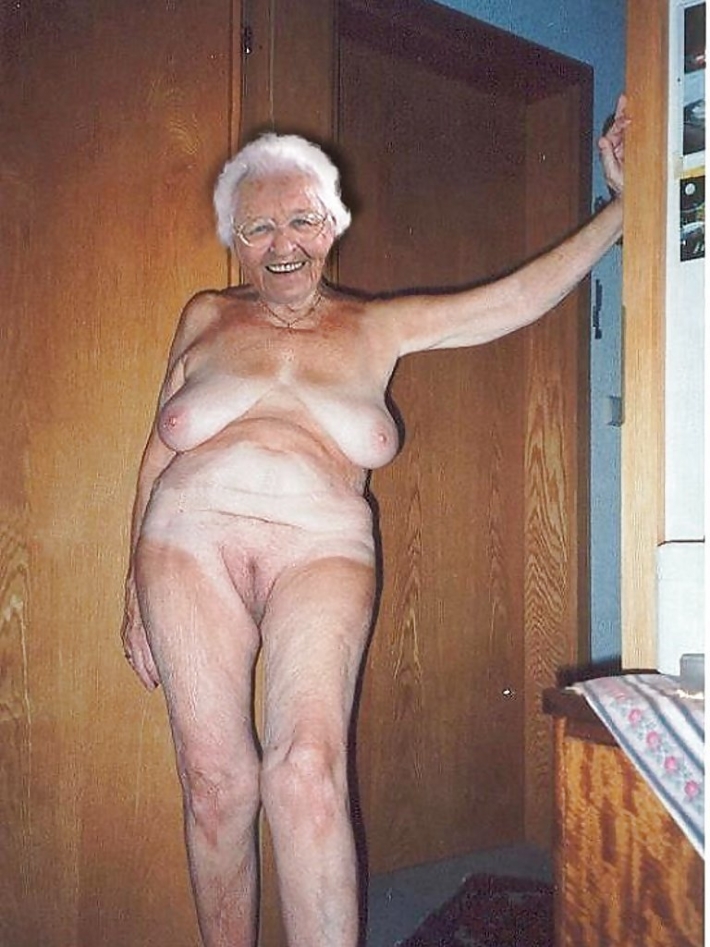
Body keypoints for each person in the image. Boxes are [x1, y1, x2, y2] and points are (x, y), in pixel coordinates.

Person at [122, 95, 628, 947]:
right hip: (184, 543)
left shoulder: (377, 325)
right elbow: (153, 453)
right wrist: (129, 590)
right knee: (215, 783)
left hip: (323, 548)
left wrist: (622, 207)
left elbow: (512, 299)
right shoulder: (206, 314)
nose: (282, 244)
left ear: (333, 223)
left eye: (301, 220)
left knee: (306, 773)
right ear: (234, 239)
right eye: (258, 228)